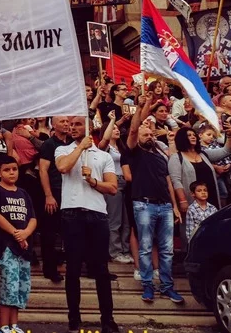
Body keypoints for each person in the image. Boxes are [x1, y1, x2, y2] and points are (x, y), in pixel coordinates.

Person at [54, 117, 118, 333]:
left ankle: (107, 319)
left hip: (97, 213)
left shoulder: (104, 156)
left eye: (78, 124)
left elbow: (112, 187)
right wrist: (80, 148)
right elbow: (63, 167)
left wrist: (93, 182)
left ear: (89, 127)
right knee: (72, 268)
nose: (72, 128)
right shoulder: (62, 150)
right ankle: (74, 317)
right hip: (72, 212)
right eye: (70, 125)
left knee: (101, 269)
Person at [124, 95, 184, 305]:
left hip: (165, 205)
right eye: (145, 133)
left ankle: (167, 287)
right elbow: (132, 131)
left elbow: (168, 180)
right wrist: (141, 109)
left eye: (151, 133)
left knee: (167, 249)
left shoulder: (160, 154)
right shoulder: (134, 152)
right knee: (146, 246)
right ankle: (148, 286)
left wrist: (175, 205)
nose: (149, 136)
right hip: (144, 204)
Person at [0, 156, 37, 333]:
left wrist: (25, 233)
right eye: (7, 169)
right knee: (9, 284)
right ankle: (3, 326)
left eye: (14, 169)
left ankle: (14, 325)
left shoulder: (23, 193)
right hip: (6, 245)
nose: (11, 173)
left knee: (21, 286)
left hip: (23, 247)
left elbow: (32, 218)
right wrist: (16, 233)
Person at [38, 116, 71, 282]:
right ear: (54, 125)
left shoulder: (72, 143)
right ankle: (50, 269)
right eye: (62, 122)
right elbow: (43, 170)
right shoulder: (49, 144)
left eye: (67, 121)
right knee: (49, 233)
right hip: (55, 191)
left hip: (71, 192)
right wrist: (48, 195)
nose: (66, 124)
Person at [99, 111, 132, 263]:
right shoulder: (104, 149)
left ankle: (125, 250)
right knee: (115, 219)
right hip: (114, 182)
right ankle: (115, 251)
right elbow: (104, 140)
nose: (117, 130)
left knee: (126, 220)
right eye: (113, 129)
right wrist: (112, 120)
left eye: (118, 129)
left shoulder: (122, 147)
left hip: (127, 184)